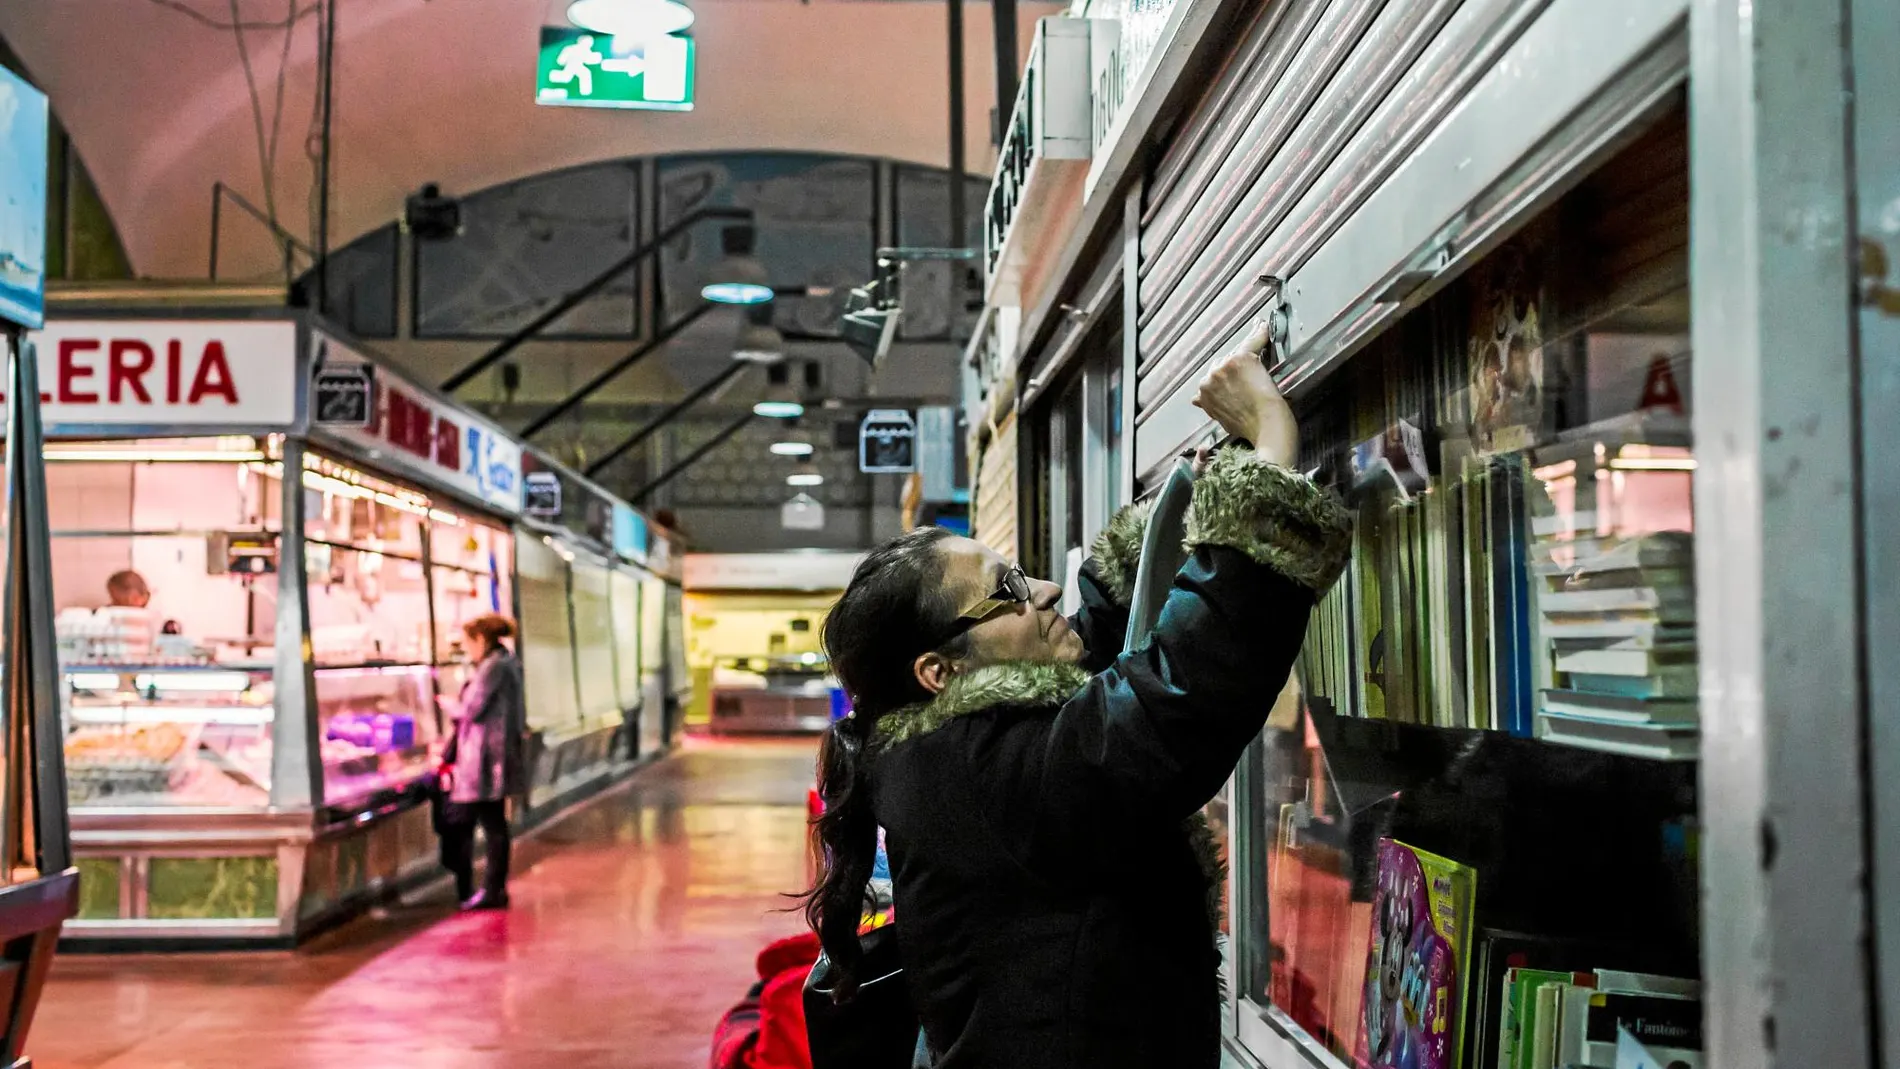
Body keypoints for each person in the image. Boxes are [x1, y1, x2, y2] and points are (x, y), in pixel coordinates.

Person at [801, 342, 1353, 1068]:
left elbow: (1084, 639)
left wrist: (1189, 492)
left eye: (1022, 575)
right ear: (938, 670)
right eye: (1009, 591)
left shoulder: (938, 748)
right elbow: (1175, 700)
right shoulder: (990, 774)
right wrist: (1271, 446)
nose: (1046, 592)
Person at [438, 613, 526, 912]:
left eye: (468, 642)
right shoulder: (506, 663)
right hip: (494, 757)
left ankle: (486, 889)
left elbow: (472, 709)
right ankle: (491, 888)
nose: (467, 649)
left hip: (486, 760)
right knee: (493, 823)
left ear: (481, 639)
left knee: (480, 822)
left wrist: (451, 705)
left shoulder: (493, 668)